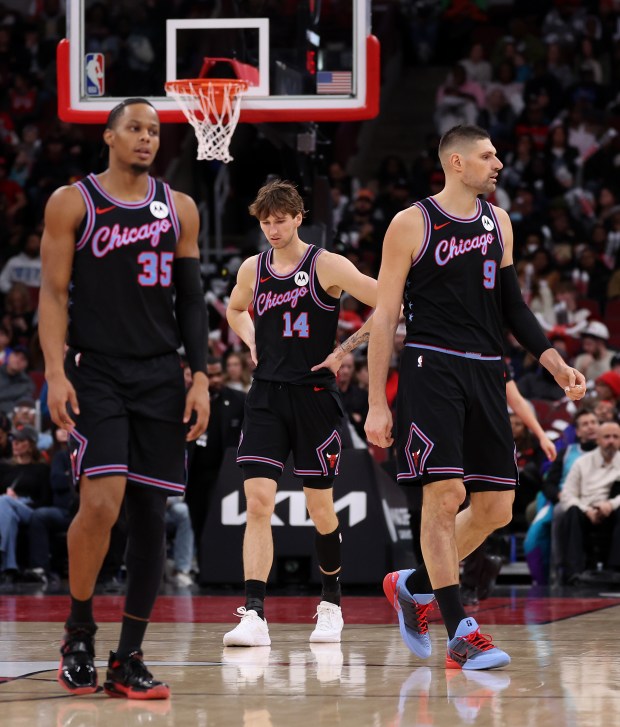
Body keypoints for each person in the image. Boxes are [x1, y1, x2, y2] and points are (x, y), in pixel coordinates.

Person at [365, 124, 585, 671]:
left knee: (495, 508)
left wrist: (552, 359)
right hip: (430, 368)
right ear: (456, 163)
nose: (499, 164)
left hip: (488, 370)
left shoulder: (498, 222)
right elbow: (385, 316)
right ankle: (461, 632)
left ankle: (412, 586)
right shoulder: (410, 223)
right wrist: (376, 400)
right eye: (488, 156)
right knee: (444, 498)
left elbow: (513, 306)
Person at [38, 98, 210, 700]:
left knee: (151, 517)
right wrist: (56, 374)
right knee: (103, 503)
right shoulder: (72, 202)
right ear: (109, 135)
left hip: (163, 375)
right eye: (135, 128)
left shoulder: (179, 208)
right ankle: (79, 630)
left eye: (154, 131)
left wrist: (202, 376)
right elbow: (53, 297)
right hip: (99, 372)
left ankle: (127, 658)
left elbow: (191, 300)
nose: (146, 138)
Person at [224, 179, 376, 647]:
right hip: (266, 396)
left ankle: (330, 602)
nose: (272, 229)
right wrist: (250, 338)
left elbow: (388, 301)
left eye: (280, 220)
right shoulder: (253, 267)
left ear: (298, 217)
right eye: (265, 221)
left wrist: (345, 349)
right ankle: (254, 613)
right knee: (257, 504)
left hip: (313, 396)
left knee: (320, 508)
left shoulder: (326, 264)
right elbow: (234, 309)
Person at [556, 421, 620, 584]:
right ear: (597, 439)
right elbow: (568, 494)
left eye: (616, 437)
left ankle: (615, 571)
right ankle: (574, 573)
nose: (611, 441)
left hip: (612, 510)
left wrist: (610, 505)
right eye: (606, 437)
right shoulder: (582, 462)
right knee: (571, 511)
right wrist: (587, 510)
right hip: (585, 511)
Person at [0, 425, 50, 584]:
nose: (14, 443)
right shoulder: (3, 467)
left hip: (29, 509)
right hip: (5, 510)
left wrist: (14, 501)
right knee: (8, 513)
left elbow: (46, 500)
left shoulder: (41, 469)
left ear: (31, 444)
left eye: (20, 440)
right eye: (13, 440)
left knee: (5, 501)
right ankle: (10, 568)